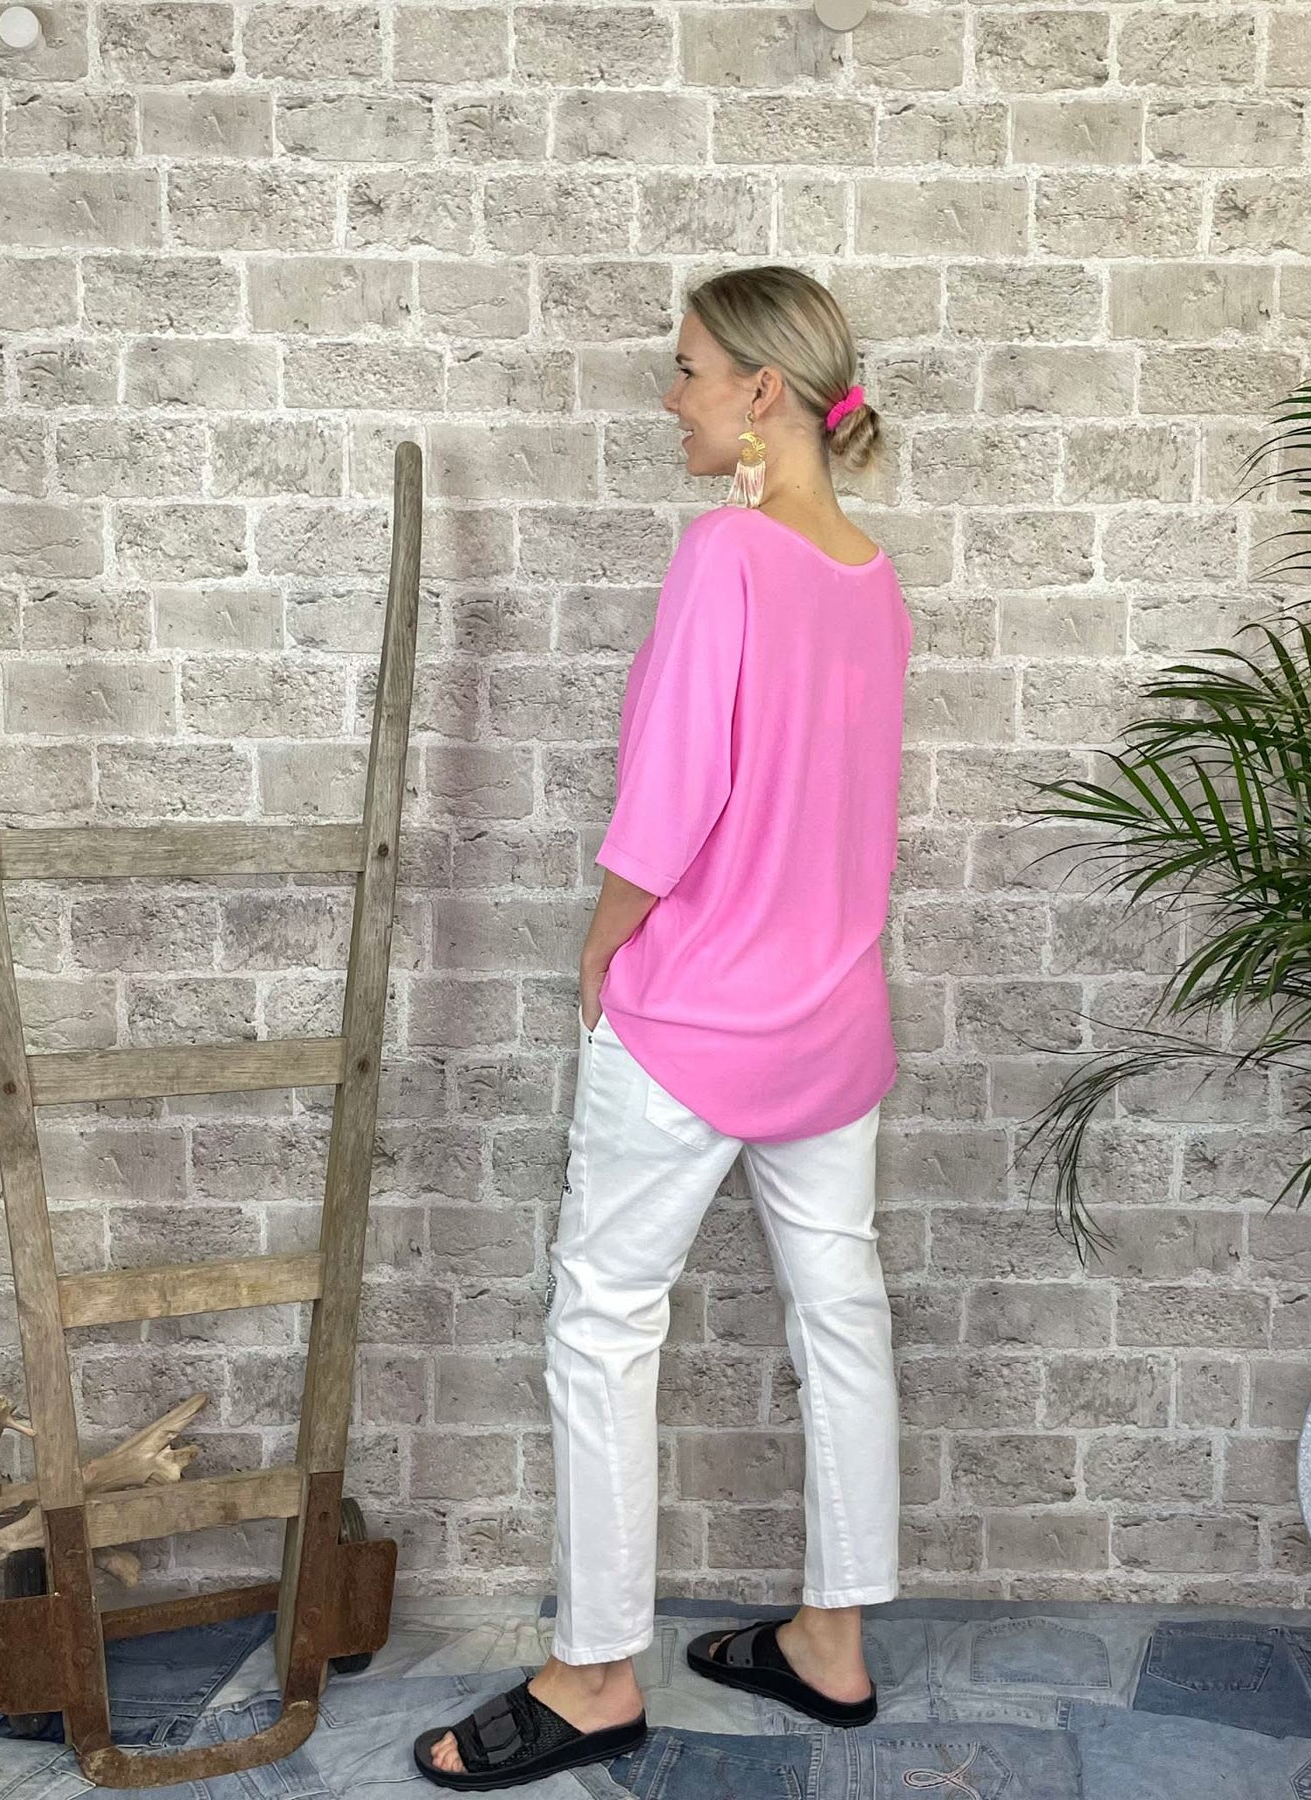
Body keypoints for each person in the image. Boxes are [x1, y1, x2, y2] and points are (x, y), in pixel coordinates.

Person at [414, 265, 913, 1790]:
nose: (670, 394)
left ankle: (592, 1674)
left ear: (763, 389)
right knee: (841, 1318)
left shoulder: (725, 554)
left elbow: (674, 794)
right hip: (833, 1024)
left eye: (689, 368)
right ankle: (832, 1642)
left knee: (604, 1325)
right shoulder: (871, 576)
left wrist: (603, 936)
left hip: (695, 1016)